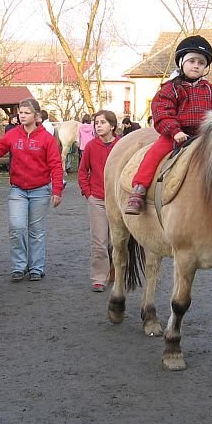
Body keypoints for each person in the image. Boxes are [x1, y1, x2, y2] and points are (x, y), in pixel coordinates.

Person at [125, 35, 212, 215]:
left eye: (201, 63)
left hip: (203, 136)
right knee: (154, 155)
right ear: (181, 63)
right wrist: (175, 131)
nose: (196, 65)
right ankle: (139, 190)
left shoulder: (209, 90)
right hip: (175, 135)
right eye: (192, 61)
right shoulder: (171, 88)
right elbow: (162, 111)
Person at [0, 98, 63, 282]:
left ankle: (36, 268)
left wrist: (57, 190)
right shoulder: (13, 135)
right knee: (17, 227)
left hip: (40, 189)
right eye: (20, 113)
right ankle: (18, 266)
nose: (22, 116)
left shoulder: (46, 138)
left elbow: (55, 164)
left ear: (36, 116)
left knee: (36, 230)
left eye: (26, 113)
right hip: (18, 190)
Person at [78, 110, 120, 293]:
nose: (98, 125)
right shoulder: (91, 146)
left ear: (112, 125)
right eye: (96, 123)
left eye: (102, 122)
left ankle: (116, 272)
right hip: (97, 198)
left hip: (118, 199)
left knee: (116, 241)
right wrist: (88, 193)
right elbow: (82, 172)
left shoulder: (121, 145)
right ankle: (98, 277)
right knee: (99, 241)